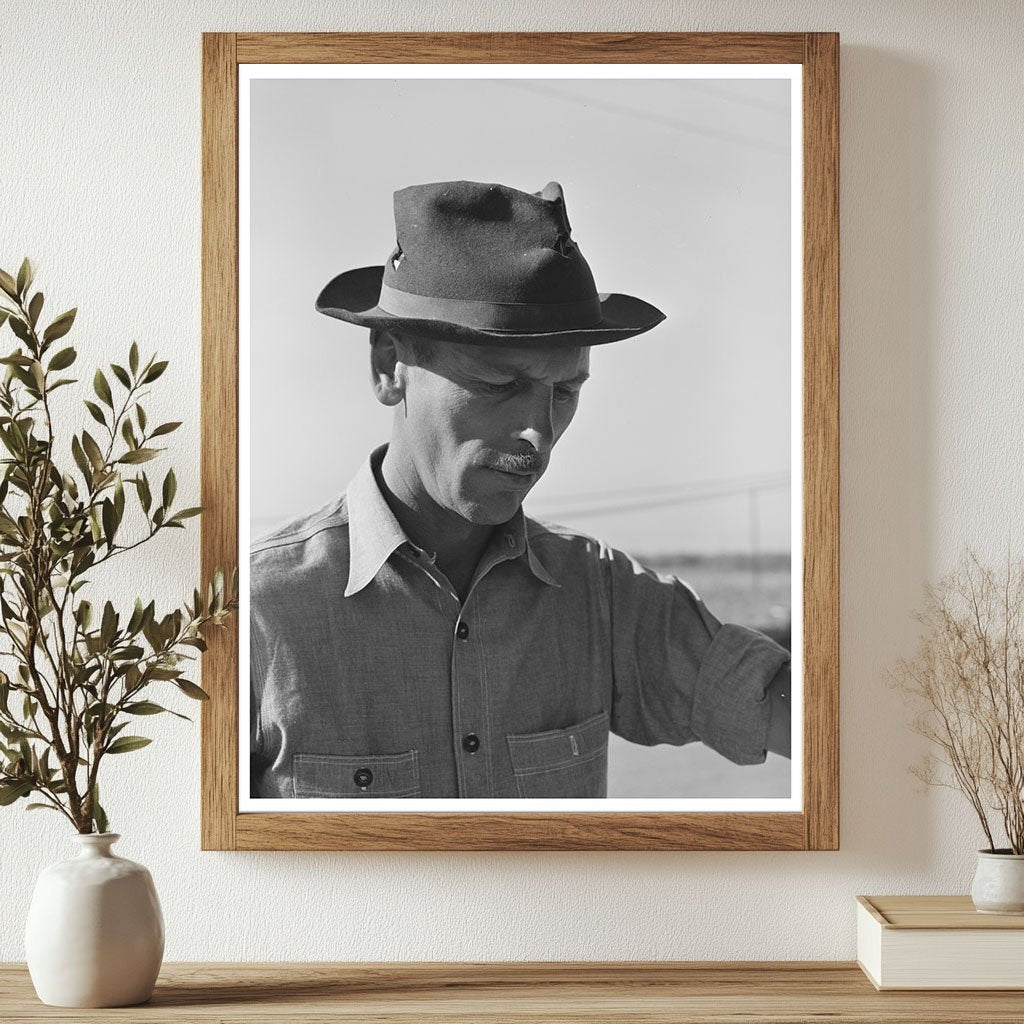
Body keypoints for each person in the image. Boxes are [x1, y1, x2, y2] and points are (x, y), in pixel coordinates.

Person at [250, 179, 791, 800]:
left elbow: (792, 710)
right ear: (387, 366)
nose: (539, 432)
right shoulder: (259, 615)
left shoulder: (601, 597)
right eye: (499, 385)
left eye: (566, 391)